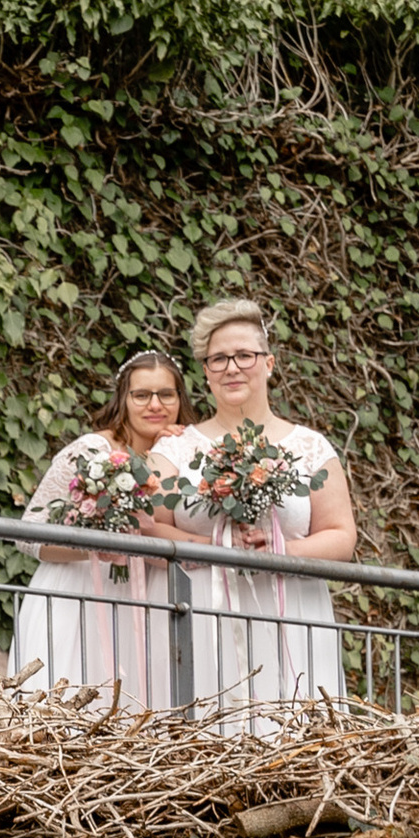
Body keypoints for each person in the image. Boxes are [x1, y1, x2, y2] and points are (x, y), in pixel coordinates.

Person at [155, 298, 358, 723]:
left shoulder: (310, 447)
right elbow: (150, 526)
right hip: (200, 615)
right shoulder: (175, 448)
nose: (232, 368)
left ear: (268, 363)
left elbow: (341, 536)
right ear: (206, 372)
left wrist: (282, 551)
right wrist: (210, 545)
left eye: (244, 355)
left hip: (293, 611)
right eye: (218, 359)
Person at [8, 350, 189, 708]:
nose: (155, 405)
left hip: (142, 599)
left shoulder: (182, 454)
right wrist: (93, 548)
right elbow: (28, 533)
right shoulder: (92, 450)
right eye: (142, 395)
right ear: (123, 399)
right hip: (75, 594)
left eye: (166, 394)